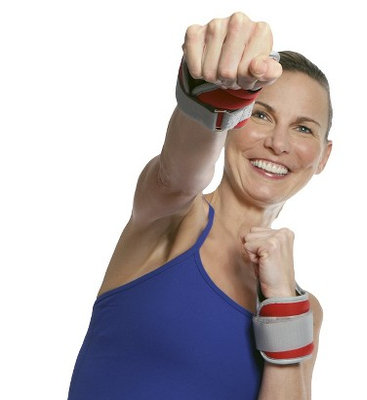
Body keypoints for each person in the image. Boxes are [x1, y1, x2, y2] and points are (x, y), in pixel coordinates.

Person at [67, 12, 332, 400]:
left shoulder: (304, 309)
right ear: (235, 123)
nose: (279, 143)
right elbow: (176, 177)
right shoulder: (172, 219)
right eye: (261, 114)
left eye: (303, 128)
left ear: (323, 157)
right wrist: (214, 99)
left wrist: (281, 302)